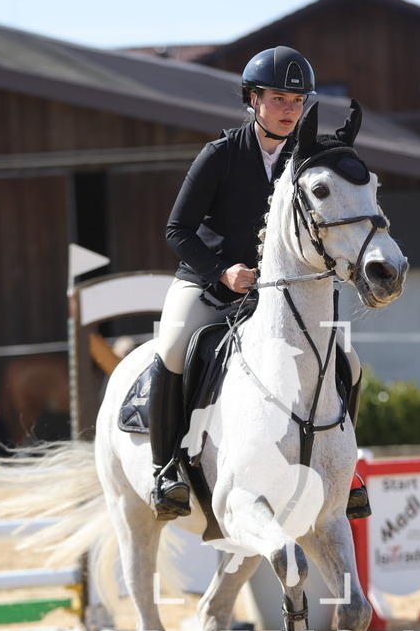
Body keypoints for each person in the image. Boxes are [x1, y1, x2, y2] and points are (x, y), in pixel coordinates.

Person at [149, 46, 367, 521]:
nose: (290, 110)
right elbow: (176, 230)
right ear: (253, 99)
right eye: (279, 99)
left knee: (347, 360)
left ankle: (342, 468)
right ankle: (165, 468)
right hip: (212, 283)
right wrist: (221, 271)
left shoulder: (304, 159)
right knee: (171, 348)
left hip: (279, 292)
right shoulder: (221, 154)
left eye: (298, 101)